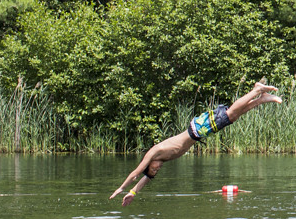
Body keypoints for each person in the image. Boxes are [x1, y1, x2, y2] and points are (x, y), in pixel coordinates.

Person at [111, 80, 281, 205]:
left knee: (229, 114)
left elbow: (136, 174)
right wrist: (133, 193)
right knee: (232, 117)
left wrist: (122, 188)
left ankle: (256, 90)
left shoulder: (153, 153)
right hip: (199, 133)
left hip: (196, 129)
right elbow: (145, 179)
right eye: (156, 171)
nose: (157, 169)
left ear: (150, 164)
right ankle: (262, 98)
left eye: (154, 169)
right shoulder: (160, 161)